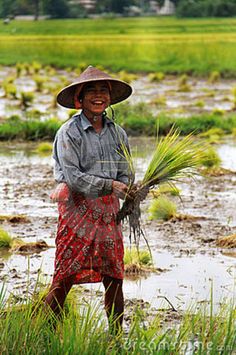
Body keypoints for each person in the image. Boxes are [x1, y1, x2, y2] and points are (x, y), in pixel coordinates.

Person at [45, 65, 133, 333]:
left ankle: (116, 336)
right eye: (91, 91)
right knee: (65, 274)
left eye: (103, 91)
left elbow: (126, 171)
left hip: (108, 213)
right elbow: (72, 176)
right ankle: (46, 334)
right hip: (76, 211)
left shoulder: (118, 133)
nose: (98, 96)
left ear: (109, 98)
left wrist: (129, 190)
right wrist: (111, 185)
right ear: (79, 100)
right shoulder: (69, 133)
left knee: (114, 275)